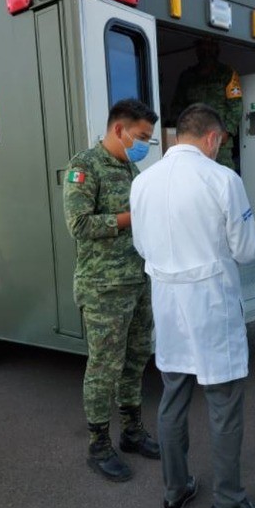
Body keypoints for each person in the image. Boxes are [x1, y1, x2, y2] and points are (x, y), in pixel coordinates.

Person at [130, 103, 255, 508]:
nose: (219, 149)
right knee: (223, 404)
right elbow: (245, 249)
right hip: (211, 306)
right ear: (212, 137)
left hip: (168, 306)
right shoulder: (222, 179)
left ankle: (175, 491)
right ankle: (227, 504)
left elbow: (141, 246)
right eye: (220, 142)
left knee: (173, 397)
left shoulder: (143, 182)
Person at [63, 98, 161, 482]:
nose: (144, 144)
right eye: (142, 137)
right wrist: (131, 218)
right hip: (103, 287)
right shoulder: (85, 166)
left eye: (149, 139)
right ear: (119, 129)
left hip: (137, 281)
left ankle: (132, 430)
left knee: (136, 359)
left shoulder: (131, 168)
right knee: (104, 367)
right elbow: (79, 225)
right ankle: (99, 444)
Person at [168, 38, 243, 172]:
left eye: (210, 46)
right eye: (202, 47)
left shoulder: (227, 73)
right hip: (193, 140)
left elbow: (236, 107)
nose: (206, 50)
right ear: (197, 50)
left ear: (217, 49)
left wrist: (227, 131)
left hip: (220, 143)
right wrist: (182, 133)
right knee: (194, 175)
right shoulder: (187, 77)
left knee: (223, 176)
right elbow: (176, 108)